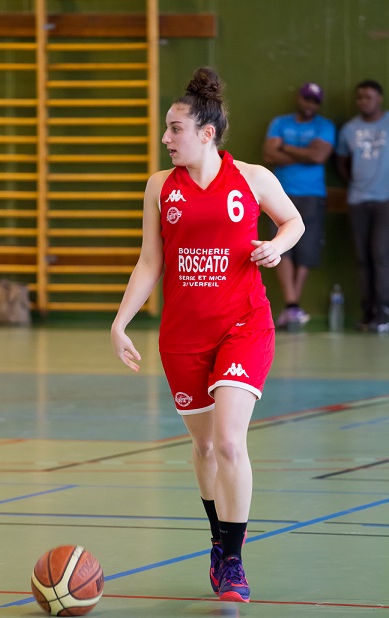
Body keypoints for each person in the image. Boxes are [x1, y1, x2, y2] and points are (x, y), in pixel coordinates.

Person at [111, 67, 304, 603]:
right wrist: (120, 320)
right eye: (166, 130)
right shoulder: (159, 188)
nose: (166, 138)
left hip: (244, 325)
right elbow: (151, 261)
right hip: (182, 335)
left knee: (227, 441)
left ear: (206, 133)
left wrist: (277, 247)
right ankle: (218, 541)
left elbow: (294, 222)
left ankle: (234, 559)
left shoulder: (252, 178)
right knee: (202, 447)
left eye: (175, 129)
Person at [263, 82, 336, 328]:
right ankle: (292, 305)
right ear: (300, 99)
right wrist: (304, 153)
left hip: (312, 195)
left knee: (306, 250)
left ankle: (291, 307)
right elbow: (269, 154)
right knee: (280, 247)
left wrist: (285, 147)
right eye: (307, 99)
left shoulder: (325, 126)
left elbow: (319, 156)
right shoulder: (280, 122)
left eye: (315, 101)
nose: (310, 105)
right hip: (280, 194)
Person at [336, 79, 389, 333]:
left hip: (385, 201)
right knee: (362, 259)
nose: (363, 101)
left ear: (379, 98)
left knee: (380, 254)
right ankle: (368, 312)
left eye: (368, 97)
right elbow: (342, 161)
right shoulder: (349, 129)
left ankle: (383, 310)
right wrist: (356, 181)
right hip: (358, 200)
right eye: (360, 97)